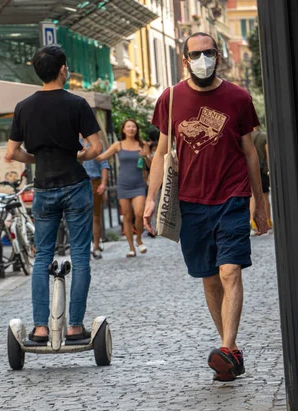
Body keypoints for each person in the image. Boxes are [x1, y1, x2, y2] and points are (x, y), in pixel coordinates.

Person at [143, 32, 271, 382]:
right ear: (184, 59)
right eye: (196, 54)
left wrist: (260, 203)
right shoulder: (170, 98)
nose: (203, 59)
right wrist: (152, 197)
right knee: (210, 277)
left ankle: (228, 347)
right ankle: (229, 352)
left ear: (218, 55)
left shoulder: (238, 97)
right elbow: (160, 153)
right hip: (190, 202)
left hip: (231, 196)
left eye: (209, 53)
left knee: (230, 271)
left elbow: (250, 152)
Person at [5, 45, 103, 342]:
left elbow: (12, 152)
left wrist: (37, 160)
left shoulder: (24, 106)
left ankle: (40, 327)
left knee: (42, 256)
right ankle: (74, 326)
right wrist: (80, 157)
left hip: (43, 187)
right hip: (75, 184)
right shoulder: (77, 104)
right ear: (63, 69)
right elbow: (96, 147)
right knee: (80, 256)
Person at [97, 119, 151, 257]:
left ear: (136, 129)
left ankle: (139, 238)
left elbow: (151, 164)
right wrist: (87, 153)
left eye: (134, 126)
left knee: (139, 213)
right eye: (128, 126)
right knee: (127, 216)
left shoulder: (142, 144)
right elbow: (101, 157)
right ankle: (131, 247)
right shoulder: (118, 145)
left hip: (139, 184)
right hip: (123, 185)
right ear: (123, 129)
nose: (131, 129)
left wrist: (146, 156)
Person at [81, 136, 110, 259]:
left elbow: (104, 164)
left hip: (94, 182)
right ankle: (83, 248)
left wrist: (103, 183)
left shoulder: (98, 143)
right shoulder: (72, 140)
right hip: (77, 182)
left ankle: (96, 247)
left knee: (95, 217)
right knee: (80, 218)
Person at [250, 127, 272, 233]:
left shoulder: (246, 137)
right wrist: (267, 170)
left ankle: (253, 224)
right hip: (261, 172)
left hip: (249, 172)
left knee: (252, 198)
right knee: (265, 197)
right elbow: (268, 155)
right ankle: (267, 222)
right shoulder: (263, 137)